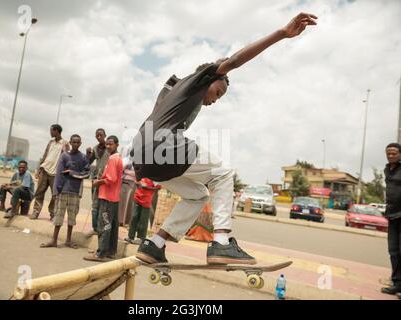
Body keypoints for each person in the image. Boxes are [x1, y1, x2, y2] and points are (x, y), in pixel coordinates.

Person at [131, 13, 317, 265]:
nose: (215, 100)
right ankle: (221, 242)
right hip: (161, 146)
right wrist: (282, 34)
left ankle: (155, 244)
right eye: (218, 92)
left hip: (143, 159)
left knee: (198, 196)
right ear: (211, 78)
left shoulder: (175, 91)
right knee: (223, 172)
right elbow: (236, 60)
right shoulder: (199, 78)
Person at [40, 134, 90, 249]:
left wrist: (72, 173)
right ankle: (54, 240)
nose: (76, 144)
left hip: (75, 192)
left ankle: (68, 240)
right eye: (74, 142)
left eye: (78, 142)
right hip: (63, 191)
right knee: (58, 216)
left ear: (80, 143)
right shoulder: (64, 156)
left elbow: (87, 173)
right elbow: (58, 174)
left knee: (72, 218)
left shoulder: (82, 157)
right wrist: (56, 191)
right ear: (70, 143)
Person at [84, 136, 123, 262]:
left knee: (104, 225)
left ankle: (100, 253)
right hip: (114, 198)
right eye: (106, 144)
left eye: (110, 144)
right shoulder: (118, 158)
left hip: (107, 197)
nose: (107, 146)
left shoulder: (112, 158)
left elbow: (111, 179)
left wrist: (97, 182)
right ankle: (110, 252)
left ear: (117, 145)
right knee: (112, 225)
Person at [30, 124, 69, 220]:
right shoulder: (50, 142)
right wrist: (39, 169)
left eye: (51, 130)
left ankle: (53, 214)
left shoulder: (65, 143)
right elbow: (45, 155)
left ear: (56, 131)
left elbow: (67, 158)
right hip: (44, 170)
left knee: (55, 195)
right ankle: (36, 211)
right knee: (39, 192)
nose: (50, 132)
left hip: (56, 173)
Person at [381, 143, 401, 299]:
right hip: (392, 215)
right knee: (393, 251)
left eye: (394, 153)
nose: (391, 155)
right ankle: (397, 283)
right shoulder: (387, 170)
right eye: (388, 153)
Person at [86, 128, 110, 236]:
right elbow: (88, 162)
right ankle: (95, 228)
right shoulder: (95, 148)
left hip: (105, 180)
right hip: (96, 179)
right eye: (97, 135)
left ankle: (102, 228)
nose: (99, 137)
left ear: (105, 135)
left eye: (101, 135)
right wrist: (88, 154)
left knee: (104, 206)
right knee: (95, 205)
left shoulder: (109, 148)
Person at [125, 178, 161, 244]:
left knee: (143, 220)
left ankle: (141, 238)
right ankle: (130, 236)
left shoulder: (155, 176)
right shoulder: (143, 172)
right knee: (134, 217)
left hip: (146, 201)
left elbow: (158, 188)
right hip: (137, 198)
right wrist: (138, 184)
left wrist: (146, 187)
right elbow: (136, 181)